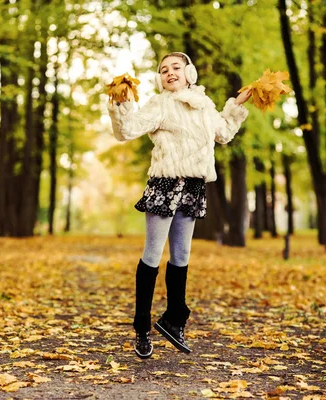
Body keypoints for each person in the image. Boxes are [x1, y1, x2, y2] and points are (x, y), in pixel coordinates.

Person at [107, 52, 251, 359]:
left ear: (189, 72)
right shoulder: (159, 105)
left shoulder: (205, 106)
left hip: (194, 185)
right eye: (163, 70)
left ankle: (173, 321)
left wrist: (237, 106)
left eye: (175, 67)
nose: (169, 72)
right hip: (165, 183)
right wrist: (122, 104)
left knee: (182, 255)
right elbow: (127, 130)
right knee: (153, 253)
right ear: (160, 79)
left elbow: (223, 133)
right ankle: (142, 328)